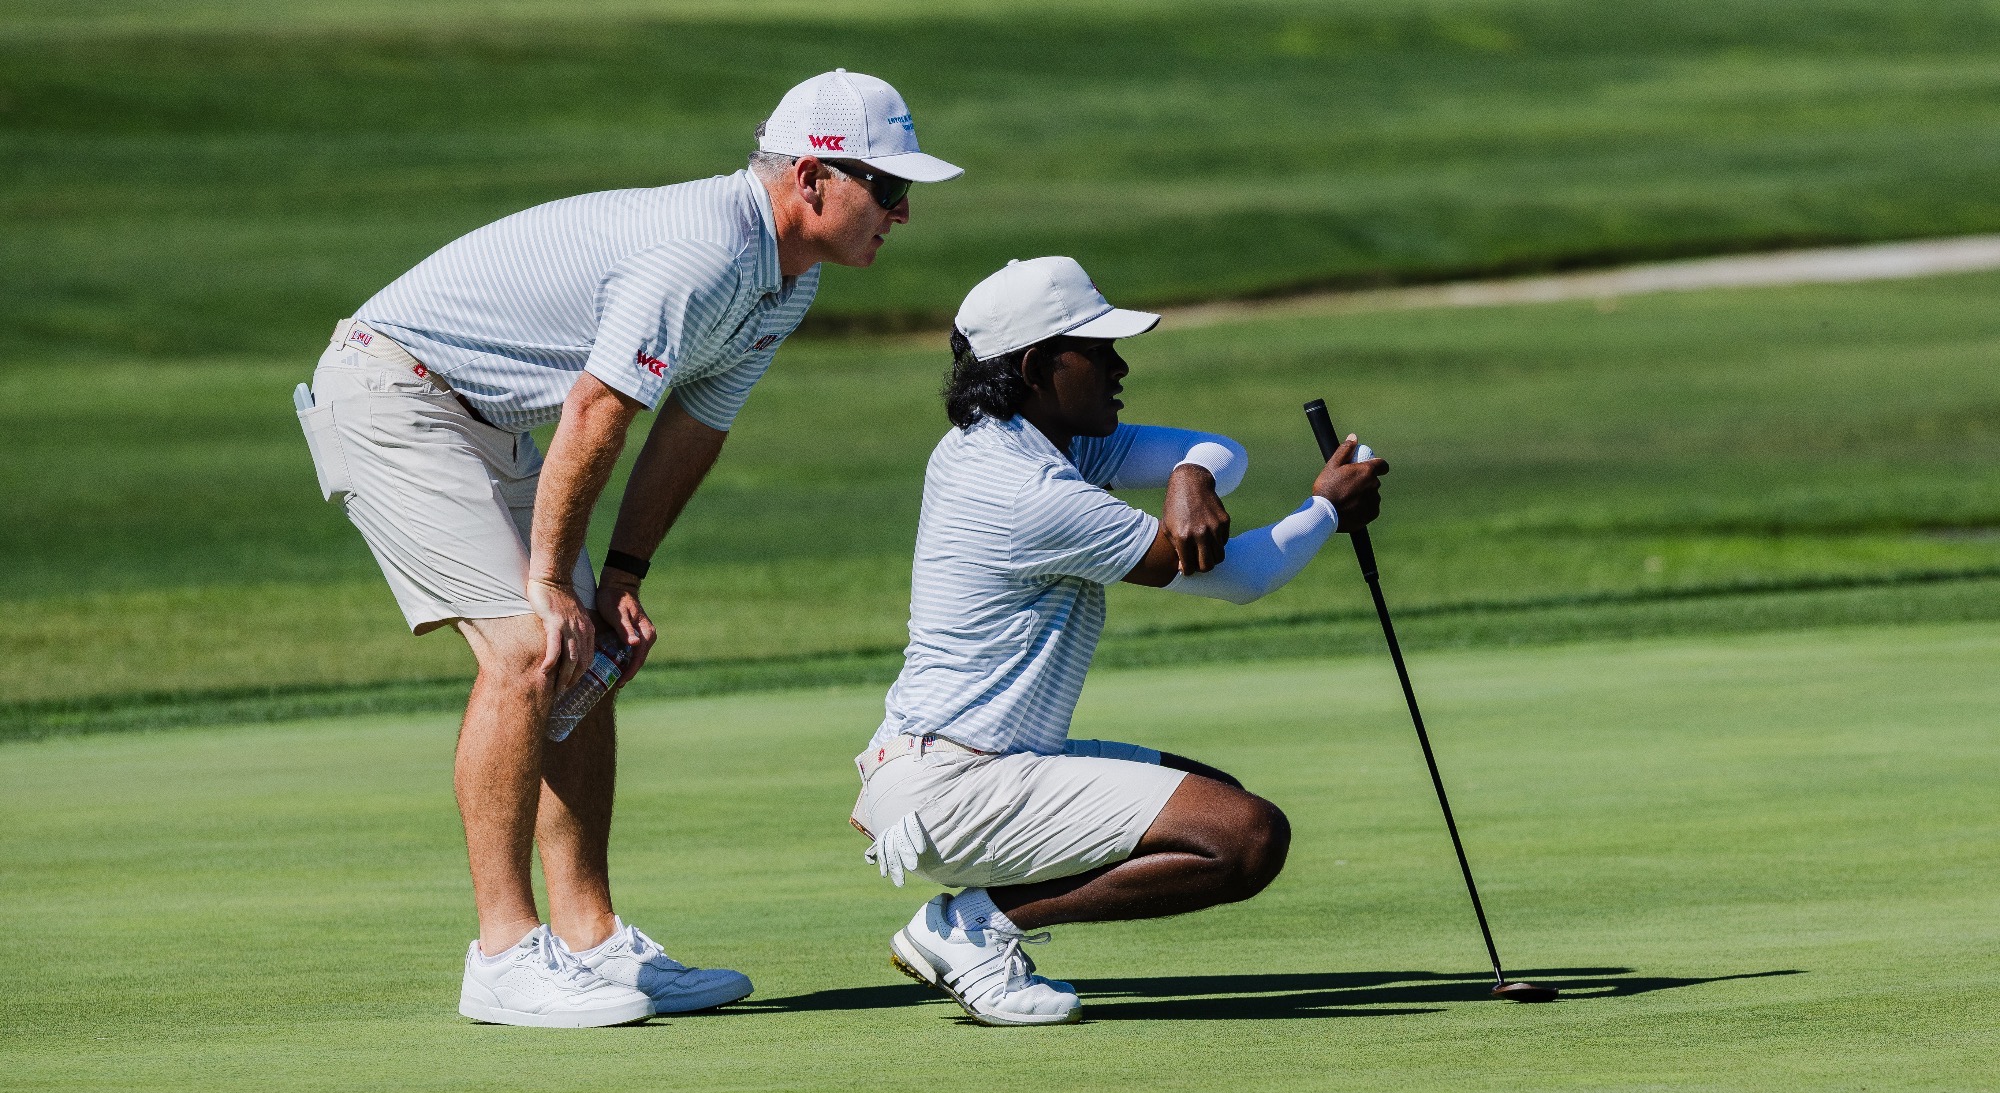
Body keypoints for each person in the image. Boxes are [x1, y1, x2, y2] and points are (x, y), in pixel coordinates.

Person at [293, 70, 962, 1028]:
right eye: (887, 188)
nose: (902, 214)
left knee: (583, 654)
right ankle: (502, 955)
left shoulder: (789, 279)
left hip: (491, 422)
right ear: (814, 178)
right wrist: (547, 582)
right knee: (531, 648)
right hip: (394, 390)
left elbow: (694, 427)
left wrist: (618, 578)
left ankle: (591, 939)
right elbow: (598, 407)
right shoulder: (704, 249)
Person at [849, 256, 1388, 1026]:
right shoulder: (1026, 490)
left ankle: (974, 920)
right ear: (1037, 367)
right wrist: (1326, 510)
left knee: (1217, 800)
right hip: (953, 785)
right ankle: (974, 928)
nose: (1120, 367)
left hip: (962, 762)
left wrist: (1191, 475)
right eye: (1098, 351)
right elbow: (1238, 578)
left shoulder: (1026, 438)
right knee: (1244, 837)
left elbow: (1220, 447)